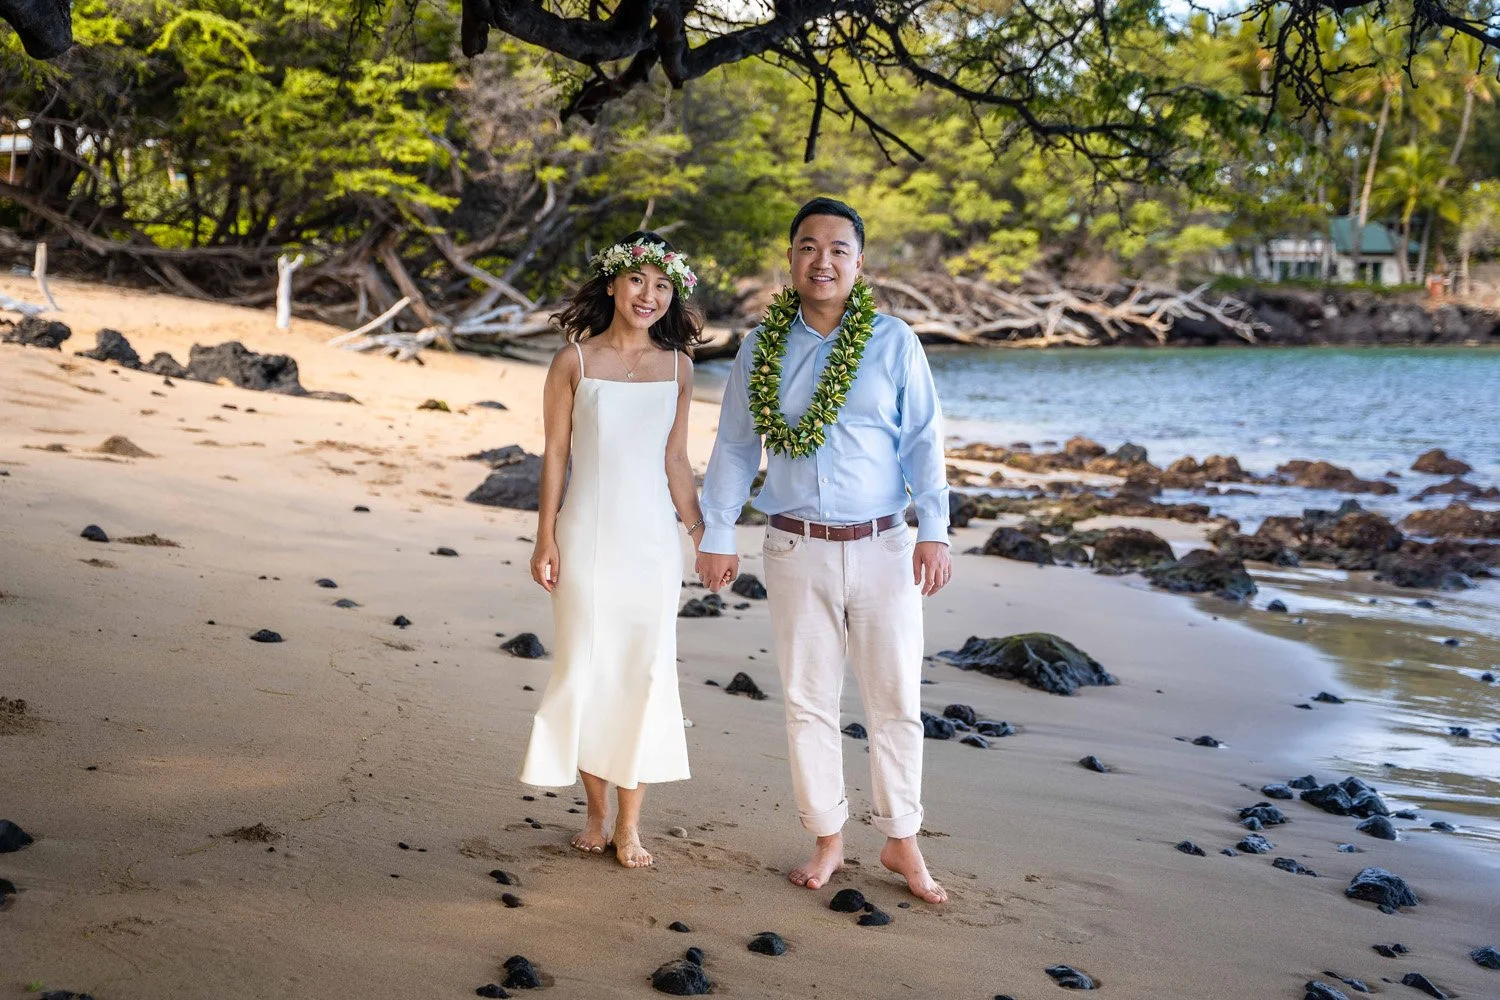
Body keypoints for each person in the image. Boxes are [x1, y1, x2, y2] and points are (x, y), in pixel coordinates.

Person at [695, 197, 953, 904]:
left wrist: (935, 528)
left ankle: (902, 840)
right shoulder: (760, 346)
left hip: (884, 546)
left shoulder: (893, 341)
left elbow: (923, 440)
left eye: (839, 248)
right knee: (809, 700)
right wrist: (718, 532)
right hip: (794, 546)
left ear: (859, 262)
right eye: (809, 247)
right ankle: (828, 836)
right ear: (791, 259)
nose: (823, 260)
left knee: (895, 697)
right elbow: (737, 446)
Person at [520, 231, 705, 869]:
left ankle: (630, 825)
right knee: (585, 670)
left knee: (646, 675)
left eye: (661, 285)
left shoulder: (680, 367)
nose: (648, 295)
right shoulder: (573, 361)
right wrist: (545, 534)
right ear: (612, 285)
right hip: (586, 537)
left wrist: (703, 533)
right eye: (637, 281)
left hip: (653, 545)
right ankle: (595, 809)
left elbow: (677, 461)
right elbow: (557, 456)